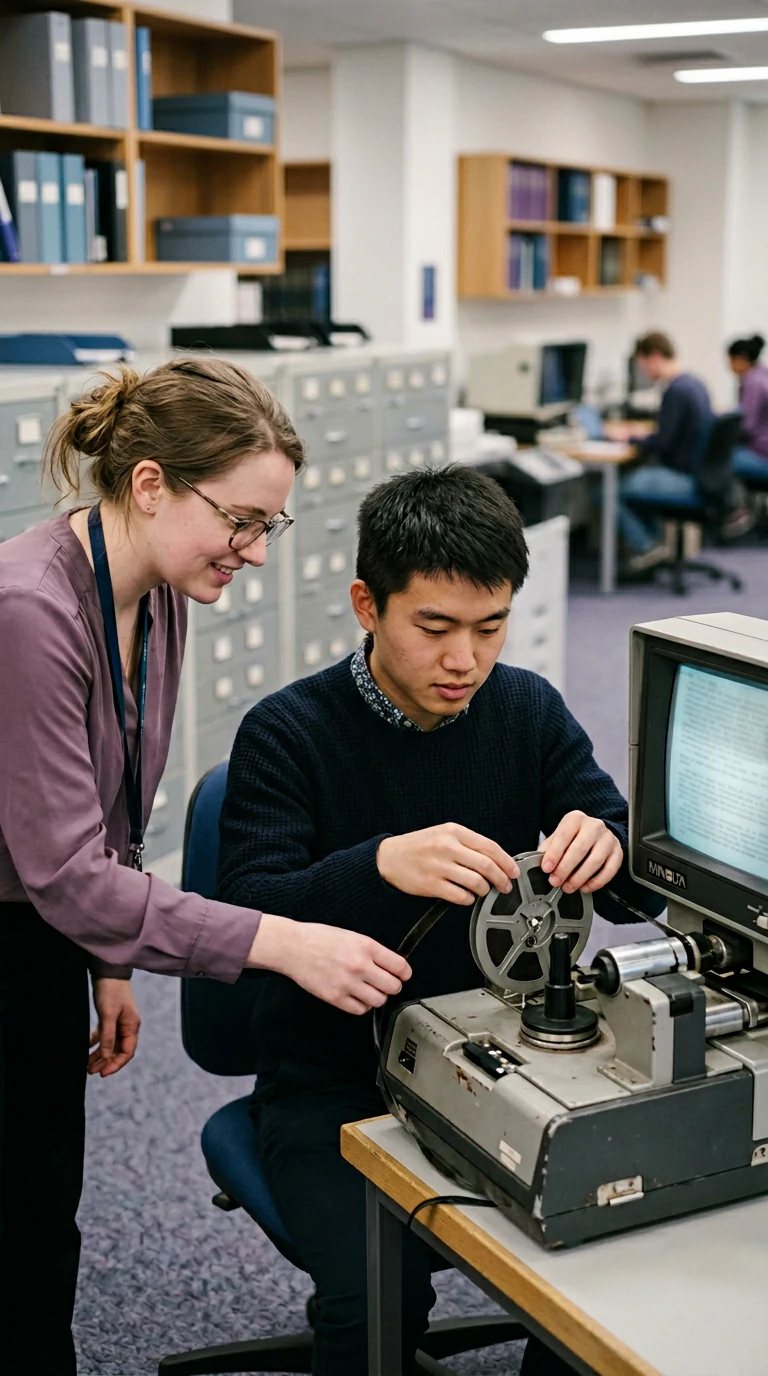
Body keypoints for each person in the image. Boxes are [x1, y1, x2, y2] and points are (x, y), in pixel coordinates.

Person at [0, 357, 411, 1376]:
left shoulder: (162, 587)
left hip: (43, 926)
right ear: (149, 484)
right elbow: (67, 874)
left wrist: (107, 962)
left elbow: (113, 804)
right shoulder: (29, 612)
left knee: (42, 1213)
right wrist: (279, 940)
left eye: (267, 527)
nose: (256, 554)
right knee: (12, 1226)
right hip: (13, 922)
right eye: (241, 521)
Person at [217, 465, 666, 1376]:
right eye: (435, 627)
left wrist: (608, 843)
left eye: (490, 627)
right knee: (370, 1298)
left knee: (603, 1245)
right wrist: (378, 865)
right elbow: (238, 922)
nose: (465, 660)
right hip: (333, 1083)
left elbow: (633, 888)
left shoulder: (525, 709)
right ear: (366, 605)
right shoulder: (286, 733)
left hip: (510, 1063)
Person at [613, 331, 717, 571]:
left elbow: (662, 443)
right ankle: (652, 545)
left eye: (643, 366)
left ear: (655, 357)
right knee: (640, 477)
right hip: (701, 474)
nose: (644, 373)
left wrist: (631, 439)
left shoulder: (675, 391)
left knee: (610, 491)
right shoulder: (693, 382)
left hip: (687, 478)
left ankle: (647, 546)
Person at [727, 333, 768, 479]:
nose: (729, 366)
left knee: (719, 459)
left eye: (731, 360)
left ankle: (736, 502)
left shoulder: (752, 382)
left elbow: (747, 426)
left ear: (742, 359)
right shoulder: (763, 374)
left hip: (763, 453)